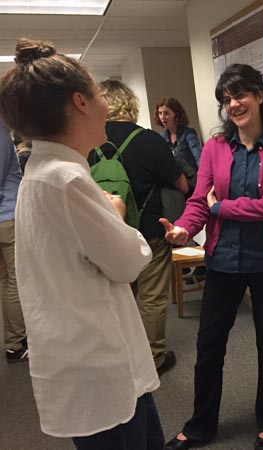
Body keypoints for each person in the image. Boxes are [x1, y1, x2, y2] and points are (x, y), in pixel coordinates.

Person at [0, 38, 165, 449]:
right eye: (98, 94)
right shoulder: (67, 180)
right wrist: (115, 212)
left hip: (81, 356)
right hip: (100, 365)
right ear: (81, 102)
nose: (106, 105)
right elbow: (129, 262)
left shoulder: (42, 171)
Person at [161, 64, 263, 450]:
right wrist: (185, 228)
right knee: (208, 347)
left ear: (259, 95)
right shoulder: (215, 148)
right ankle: (200, 426)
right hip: (222, 261)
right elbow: (198, 200)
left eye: (240, 95)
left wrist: (220, 208)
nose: (233, 104)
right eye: (227, 99)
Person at [88, 80, 188, 376]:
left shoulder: (88, 142)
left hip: (108, 232)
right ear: (130, 104)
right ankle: (152, 357)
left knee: (119, 296)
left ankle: (122, 354)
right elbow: (182, 185)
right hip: (150, 230)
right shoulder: (149, 140)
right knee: (152, 296)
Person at [0, 118, 27, 363]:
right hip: (7, 218)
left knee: (7, 280)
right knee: (16, 280)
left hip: (4, 219)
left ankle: (14, 341)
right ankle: (17, 342)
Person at [154, 97, 202, 170]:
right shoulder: (162, 137)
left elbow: (198, 157)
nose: (162, 117)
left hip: (191, 176)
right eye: (160, 113)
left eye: (166, 113)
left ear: (176, 114)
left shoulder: (188, 134)